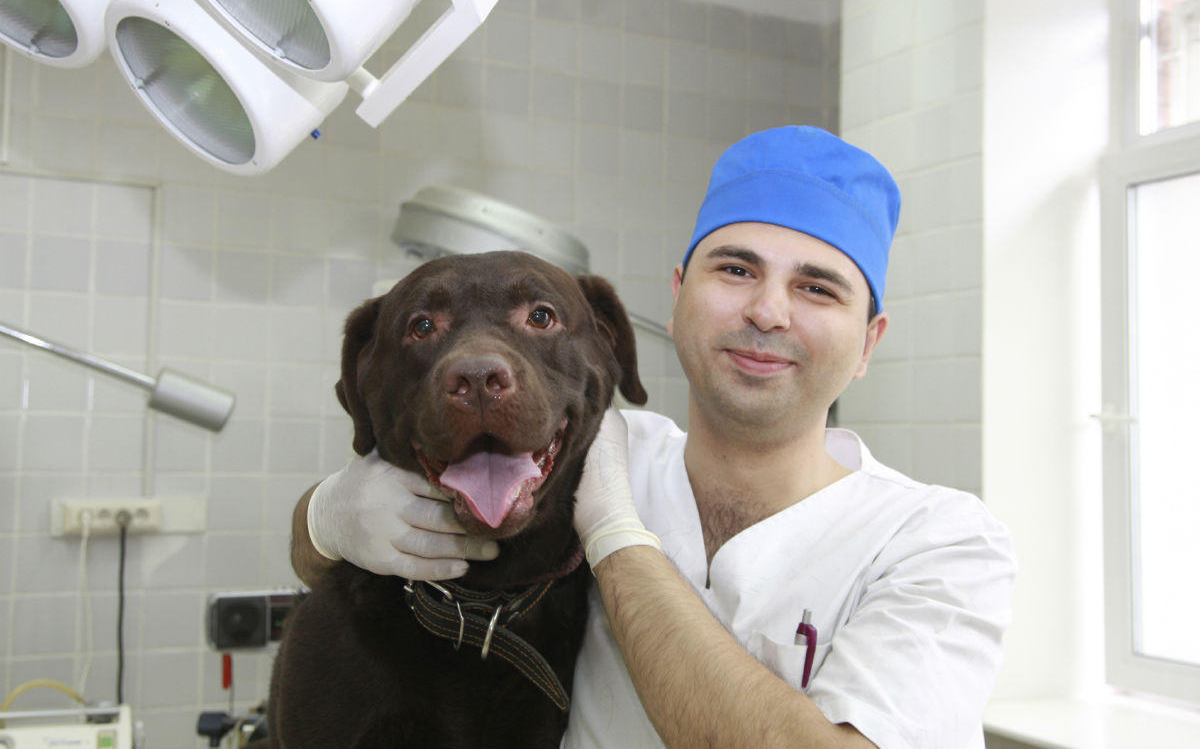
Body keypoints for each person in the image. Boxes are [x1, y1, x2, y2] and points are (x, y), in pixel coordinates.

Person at [291, 126, 1017, 749]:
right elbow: (325, 561)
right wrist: (328, 515)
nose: (767, 310)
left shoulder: (940, 543)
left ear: (867, 343)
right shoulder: (573, 450)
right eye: (736, 269)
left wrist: (614, 538)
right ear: (676, 300)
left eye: (817, 287)